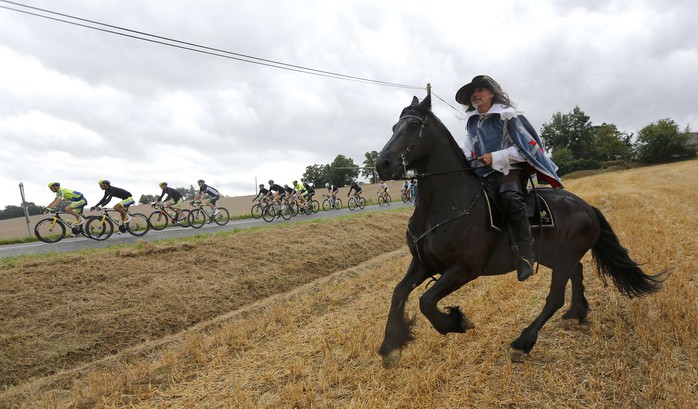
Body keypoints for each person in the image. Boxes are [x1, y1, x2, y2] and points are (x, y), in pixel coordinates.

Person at [455, 75, 562, 281]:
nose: (475, 95)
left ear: (492, 93)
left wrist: (496, 156)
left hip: (510, 169)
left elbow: (526, 149)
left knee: (510, 197)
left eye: (479, 90)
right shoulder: (472, 121)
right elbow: (469, 149)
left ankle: (526, 255)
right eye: (472, 92)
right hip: (482, 172)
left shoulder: (508, 115)